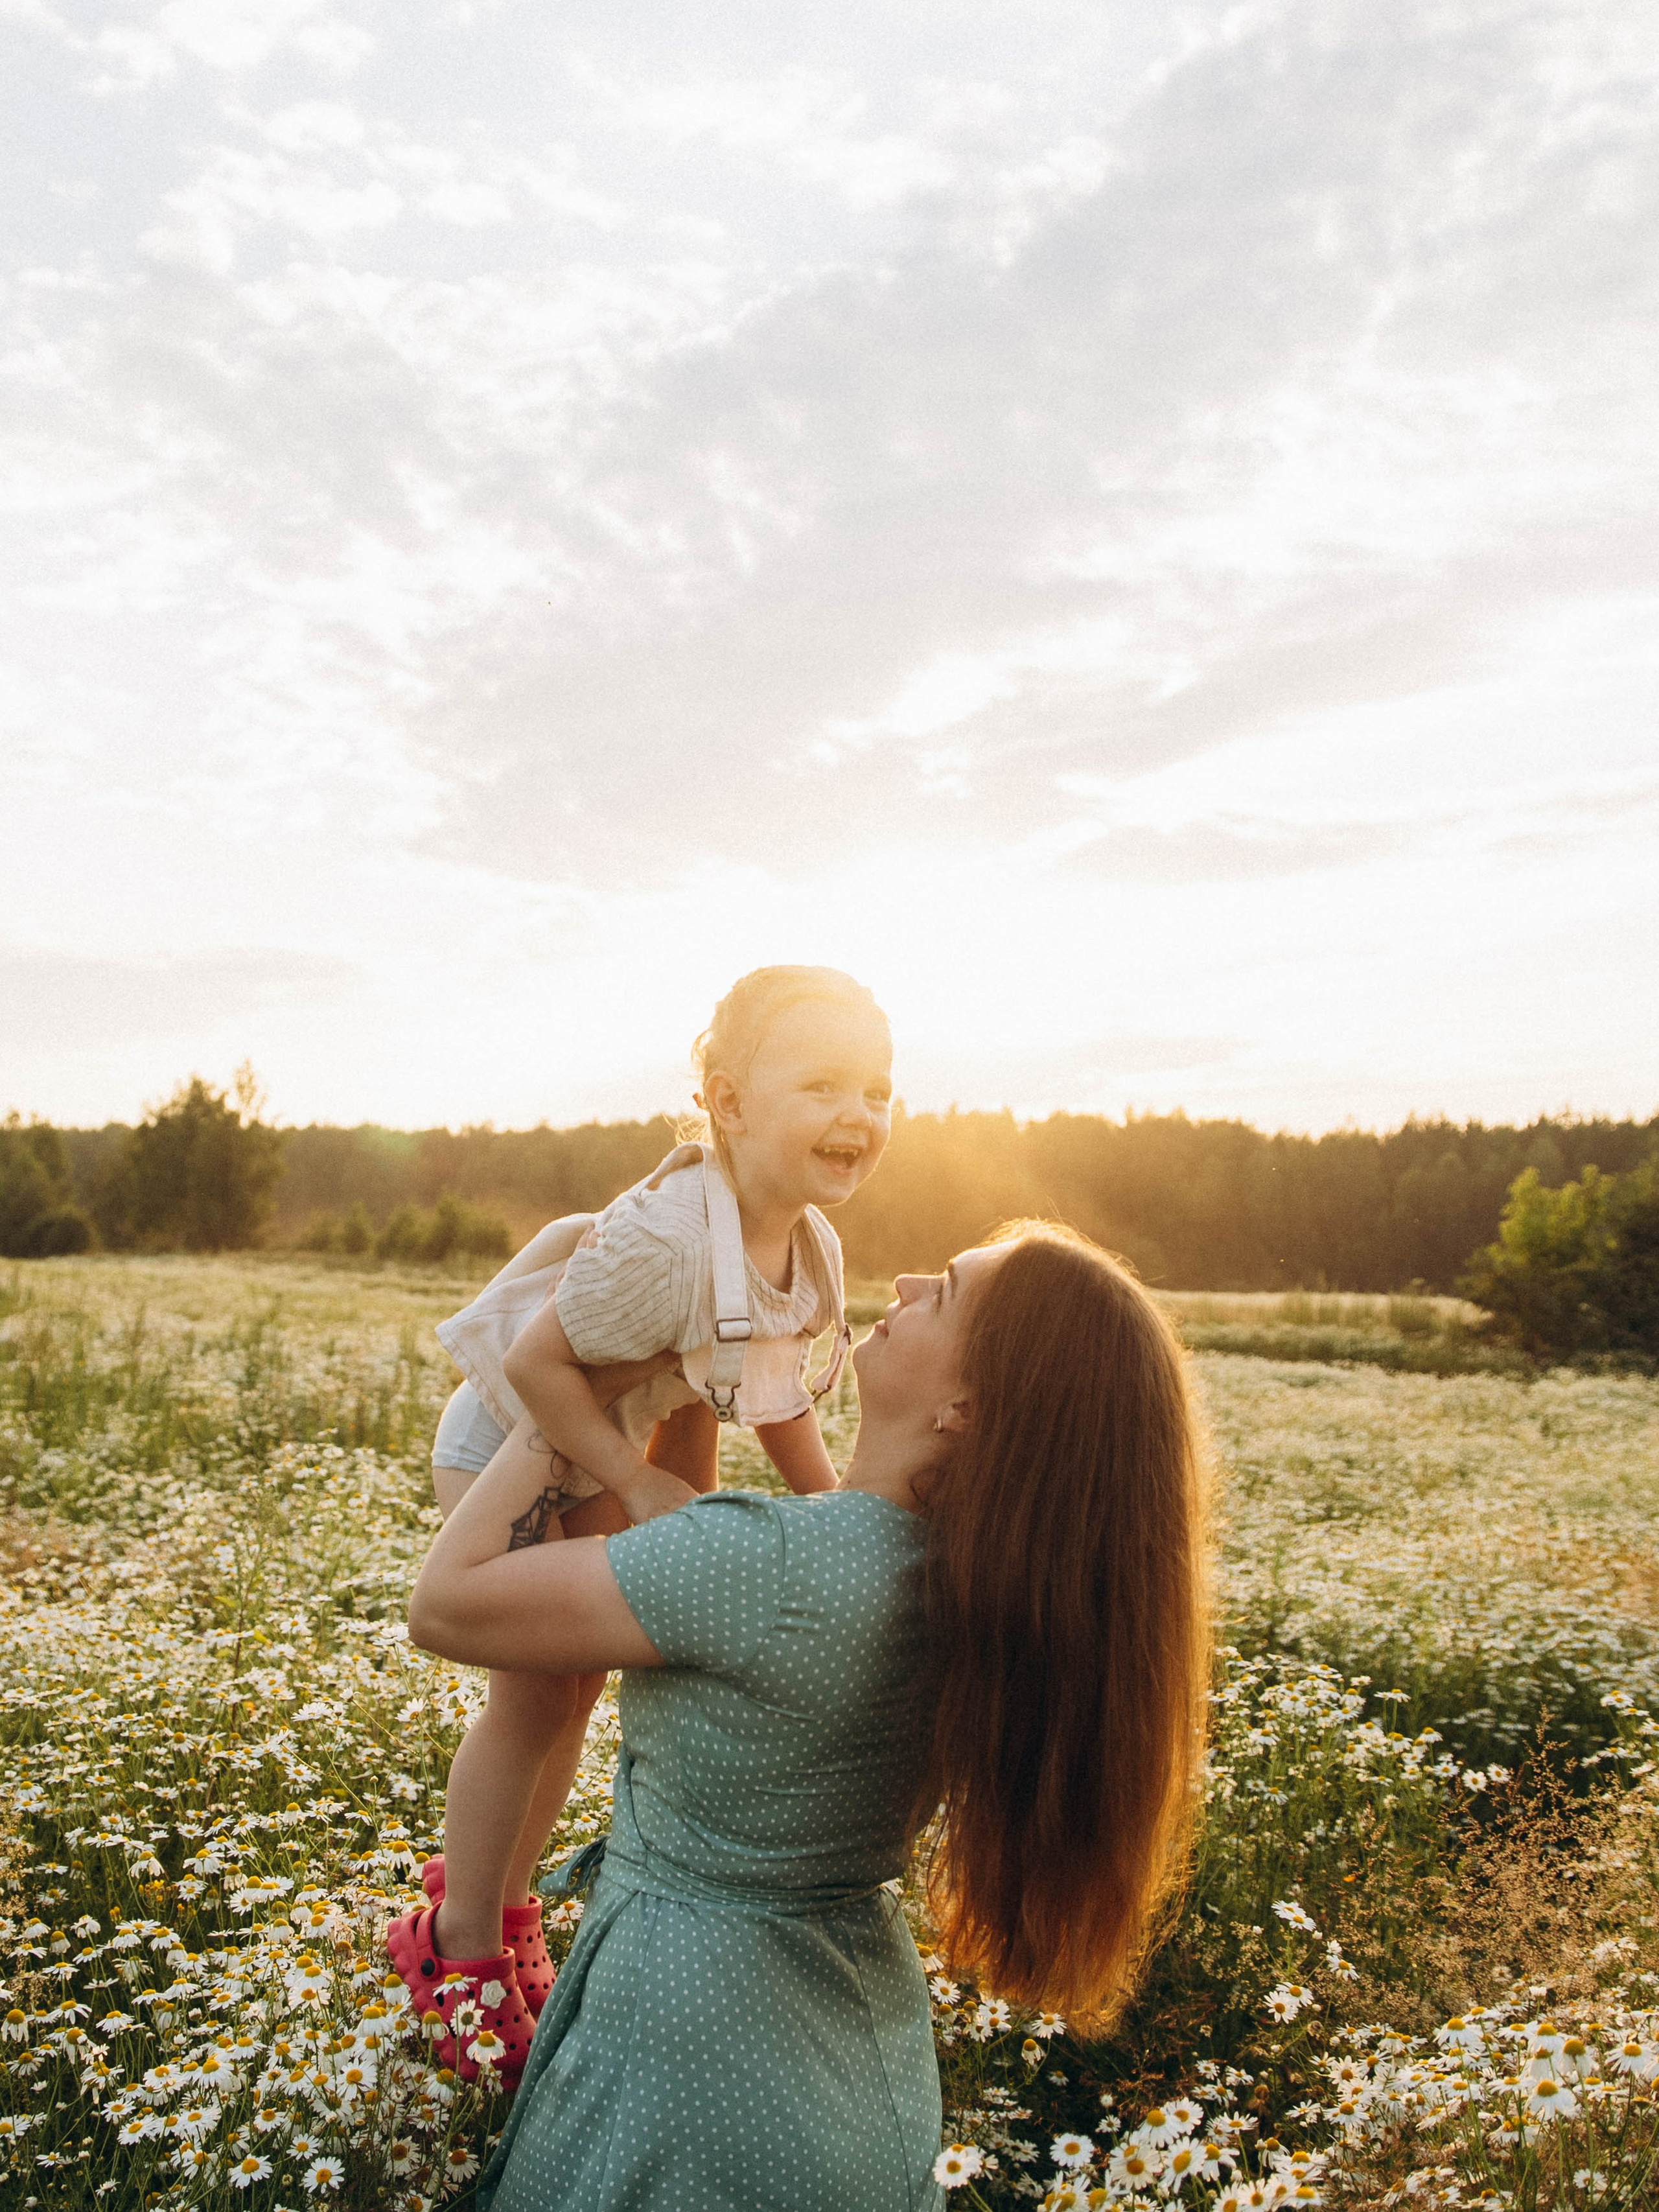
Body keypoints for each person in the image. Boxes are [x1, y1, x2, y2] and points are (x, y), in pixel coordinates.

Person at [404, 1221, 1212, 2211]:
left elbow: (446, 1602)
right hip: (854, 2076)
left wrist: (583, 1373)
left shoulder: (768, 1564)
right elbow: (707, 1566)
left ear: (965, 1405)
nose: (906, 1278)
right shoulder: (977, 1590)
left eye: (945, 1288)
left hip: (681, 2091)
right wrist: (696, 1369)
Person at [388, 967, 894, 2076]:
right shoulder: (667, 1236)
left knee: (577, 1689)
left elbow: (779, 1393)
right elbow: (536, 1365)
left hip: (601, 1447)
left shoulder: (809, 1242)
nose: (857, 1113)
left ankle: (506, 1902)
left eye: (875, 1088)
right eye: (821, 1085)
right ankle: (453, 1943)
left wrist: (842, 1511)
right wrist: (635, 1475)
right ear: (729, 1102)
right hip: (510, 1442)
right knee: (532, 1691)